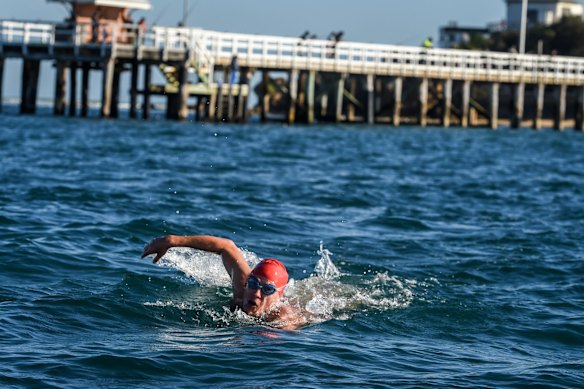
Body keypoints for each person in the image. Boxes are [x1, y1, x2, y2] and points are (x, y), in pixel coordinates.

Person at [141, 234, 307, 329]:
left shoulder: (282, 318)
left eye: (267, 290)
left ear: (279, 295)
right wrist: (172, 241)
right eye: (254, 283)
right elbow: (227, 246)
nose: (256, 293)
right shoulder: (242, 286)